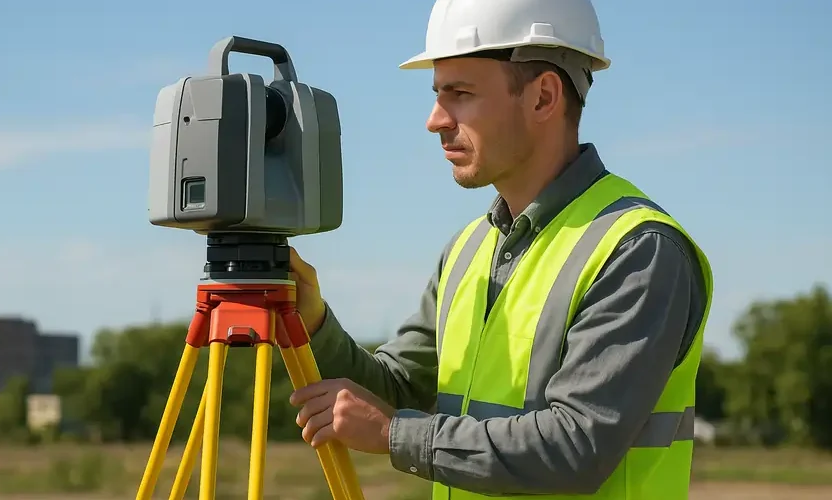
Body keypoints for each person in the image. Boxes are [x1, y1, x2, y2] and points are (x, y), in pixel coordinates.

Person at [287, 0, 714, 498]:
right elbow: (396, 388)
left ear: (543, 98)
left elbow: (576, 445)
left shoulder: (636, 249)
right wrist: (313, 322)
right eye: (437, 95)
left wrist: (393, 435)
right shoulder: (469, 248)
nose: (435, 120)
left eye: (460, 94)